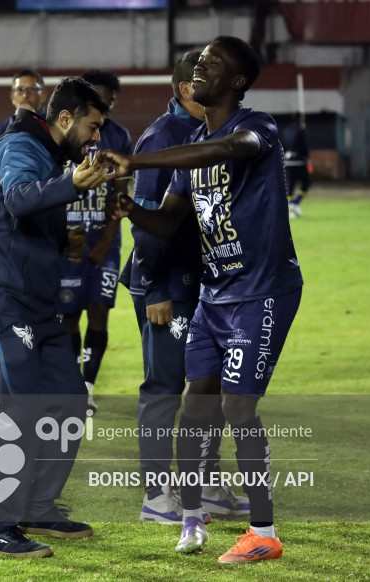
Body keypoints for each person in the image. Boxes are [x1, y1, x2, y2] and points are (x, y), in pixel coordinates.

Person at [103, 36, 303, 563]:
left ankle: (264, 533)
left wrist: (134, 160)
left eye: (212, 63)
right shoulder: (193, 138)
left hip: (261, 291)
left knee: (237, 406)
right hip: (214, 295)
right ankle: (193, 519)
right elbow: (170, 220)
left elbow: (226, 150)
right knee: (196, 405)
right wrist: (130, 208)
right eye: (200, 62)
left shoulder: (257, 127)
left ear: (236, 82)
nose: (200, 68)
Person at [0, 77, 111, 557]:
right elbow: (19, 197)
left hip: (38, 304)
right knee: (22, 408)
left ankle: (38, 506)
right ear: (65, 119)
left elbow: (26, 218)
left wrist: (65, 241)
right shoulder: (20, 144)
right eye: (92, 126)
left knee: (70, 400)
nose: (96, 137)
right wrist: (72, 184)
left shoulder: (49, 153)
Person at [122, 51, 249, 526]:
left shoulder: (208, 134)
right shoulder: (163, 137)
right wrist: (155, 286)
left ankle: (207, 482)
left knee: (209, 386)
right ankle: (156, 495)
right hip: (167, 284)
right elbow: (146, 219)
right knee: (165, 387)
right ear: (185, 89)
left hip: (207, 283)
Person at [0, 69, 47, 401]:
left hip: (37, 238)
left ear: (43, 94)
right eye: (20, 90)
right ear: (12, 96)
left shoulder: (48, 129)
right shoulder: (2, 129)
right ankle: (4, 380)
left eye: (32, 89)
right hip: (4, 239)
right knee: (9, 316)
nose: (26, 94)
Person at [57, 69, 132, 412]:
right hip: (68, 240)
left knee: (99, 311)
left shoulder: (118, 136)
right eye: (102, 97)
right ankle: (72, 383)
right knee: (69, 314)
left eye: (112, 99)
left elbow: (121, 194)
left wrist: (106, 240)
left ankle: (87, 386)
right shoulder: (65, 133)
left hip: (104, 242)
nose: (108, 104)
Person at [281, 112, 311, 218]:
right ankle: (295, 203)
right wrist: (307, 157)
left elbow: (282, 145)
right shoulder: (301, 130)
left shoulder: (286, 130)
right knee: (306, 182)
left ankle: (292, 207)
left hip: (287, 162)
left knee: (290, 185)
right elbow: (304, 146)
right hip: (299, 161)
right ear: (299, 119)